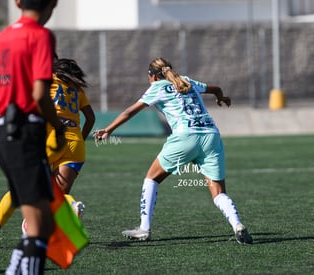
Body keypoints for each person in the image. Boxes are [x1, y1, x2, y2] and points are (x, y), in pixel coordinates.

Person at [92, 57, 253, 245]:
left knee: (152, 178)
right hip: (211, 135)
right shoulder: (186, 80)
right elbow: (216, 89)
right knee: (218, 192)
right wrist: (221, 98)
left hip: (185, 137)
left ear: (152, 76)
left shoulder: (156, 88)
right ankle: (237, 225)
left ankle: (144, 229)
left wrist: (108, 129)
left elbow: (130, 111)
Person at [0, 0, 63, 274]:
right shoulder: (40, 35)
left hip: (4, 136)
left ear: (16, 2)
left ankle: (14, 271)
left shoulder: (0, 37)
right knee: (40, 226)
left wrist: (7, 112)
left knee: (38, 219)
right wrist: (58, 126)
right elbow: (39, 94)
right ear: (54, 3)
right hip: (26, 136)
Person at [0, 58, 95, 249]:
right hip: (75, 144)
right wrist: (80, 138)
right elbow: (91, 118)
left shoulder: (46, 81)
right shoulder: (76, 88)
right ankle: (71, 208)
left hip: (53, 141)